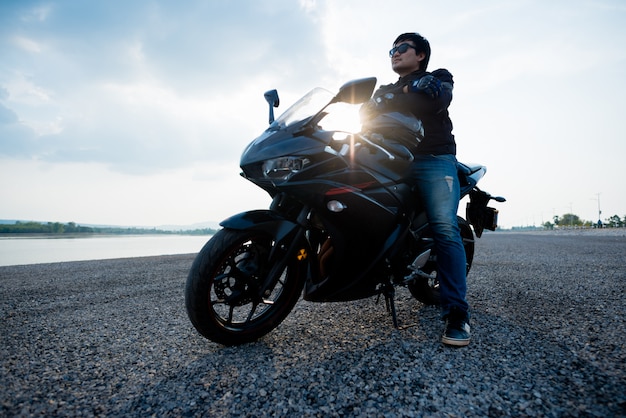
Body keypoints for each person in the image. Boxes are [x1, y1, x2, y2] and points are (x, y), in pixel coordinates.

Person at [360, 32, 470, 346]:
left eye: (401, 48)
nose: (394, 53)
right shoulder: (384, 88)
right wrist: (406, 92)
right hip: (386, 159)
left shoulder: (438, 76)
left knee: (444, 228)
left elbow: (437, 99)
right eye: (391, 49)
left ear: (420, 54)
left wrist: (400, 96)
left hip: (432, 157)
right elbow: (365, 115)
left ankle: (457, 313)